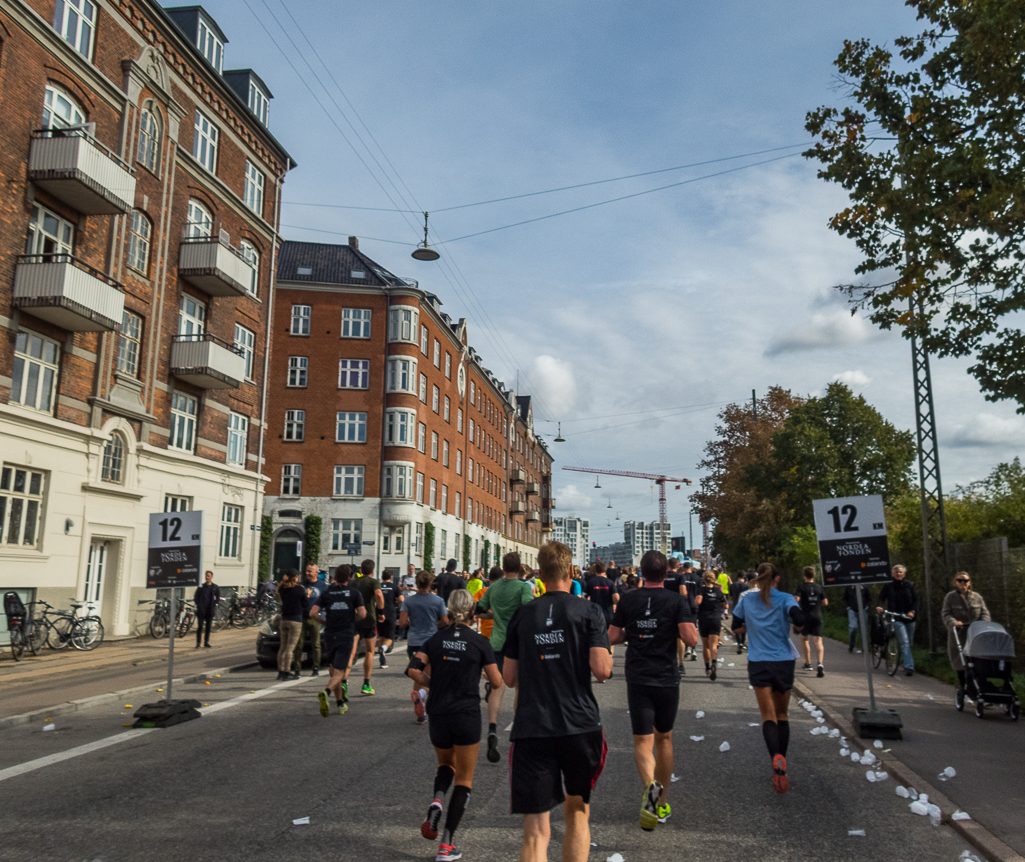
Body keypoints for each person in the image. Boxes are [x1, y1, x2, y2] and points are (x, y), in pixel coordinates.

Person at [502, 541, 612, 862]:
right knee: (577, 813)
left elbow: (509, 677)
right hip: (579, 725)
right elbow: (602, 671)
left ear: (539, 573)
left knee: (536, 833)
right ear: (571, 572)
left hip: (533, 726)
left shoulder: (523, 615)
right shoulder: (589, 611)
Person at [407, 590, 502, 862]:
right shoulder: (480, 642)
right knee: (465, 779)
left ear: (448, 612)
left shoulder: (436, 639)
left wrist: (431, 684)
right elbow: (496, 682)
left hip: (438, 713)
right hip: (466, 714)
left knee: (445, 765)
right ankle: (447, 845)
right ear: (473, 614)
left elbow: (413, 670)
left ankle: (437, 799)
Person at [608, 551, 697, 830]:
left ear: (641, 572)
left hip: (638, 677)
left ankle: (650, 787)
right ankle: (659, 803)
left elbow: (613, 636)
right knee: (665, 740)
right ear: (666, 573)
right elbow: (691, 638)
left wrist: (632, 633)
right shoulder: (676, 600)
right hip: (666, 678)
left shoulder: (629, 598)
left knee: (642, 744)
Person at [731, 562, 804, 794]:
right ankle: (782, 763)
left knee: (768, 716)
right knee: (783, 714)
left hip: (759, 662)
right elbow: (799, 619)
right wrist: (798, 627)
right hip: (783, 661)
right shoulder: (785, 598)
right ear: (777, 578)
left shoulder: (746, 600)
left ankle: (775, 758)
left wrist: (751, 627)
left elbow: (735, 627)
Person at [475, 551, 535, 762]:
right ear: (520, 568)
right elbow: (530, 609)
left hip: (497, 643)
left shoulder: (493, 587)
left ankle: (492, 728)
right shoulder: (522, 588)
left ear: (503, 567)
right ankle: (517, 730)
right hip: (518, 644)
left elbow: (480, 610)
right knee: (519, 686)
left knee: (497, 687)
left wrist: (496, 615)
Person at [309, 566, 365, 715]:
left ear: (334, 578)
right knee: (340, 671)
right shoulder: (354, 593)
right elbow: (363, 614)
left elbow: (313, 613)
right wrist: (353, 614)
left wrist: (323, 622)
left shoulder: (327, 593)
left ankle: (340, 703)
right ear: (349, 578)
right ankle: (326, 693)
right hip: (345, 634)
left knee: (333, 669)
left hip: (330, 634)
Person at [399, 571, 450, 724]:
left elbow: (401, 623)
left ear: (417, 583)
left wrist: (411, 622)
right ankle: (421, 698)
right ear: (431, 583)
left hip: (414, 642)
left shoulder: (409, 602)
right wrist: (435, 625)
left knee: (417, 674)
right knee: (428, 678)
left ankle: (420, 706)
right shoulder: (438, 601)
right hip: (431, 642)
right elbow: (446, 621)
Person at [941, 571, 991, 693]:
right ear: (955, 582)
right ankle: (963, 686)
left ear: (969, 582)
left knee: (977, 661)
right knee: (960, 661)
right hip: (959, 634)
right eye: (960, 580)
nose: (963, 583)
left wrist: (983, 624)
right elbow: (946, 614)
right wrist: (954, 622)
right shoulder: (950, 597)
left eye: (966, 581)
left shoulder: (977, 597)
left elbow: (985, 613)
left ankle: (978, 688)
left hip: (975, 634)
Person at [876, 565, 918, 676]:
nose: (898, 574)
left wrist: (912, 611)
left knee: (909, 642)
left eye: (900, 572)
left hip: (909, 618)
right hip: (897, 617)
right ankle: (909, 667)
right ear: (892, 574)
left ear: (903, 574)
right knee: (904, 642)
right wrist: (879, 606)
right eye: (896, 572)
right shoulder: (889, 586)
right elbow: (881, 597)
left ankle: (905, 662)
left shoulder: (910, 586)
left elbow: (916, 600)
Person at [353, 559, 385, 694]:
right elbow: (378, 594)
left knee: (351, 651)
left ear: (361, 570)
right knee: (369, 651)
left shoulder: (352, 582)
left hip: (354, 619)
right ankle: (366, 684)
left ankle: (343, 681)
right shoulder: (373, 582)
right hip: (369, 619)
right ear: (372, 571)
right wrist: (381, 612)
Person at [584, 562, 619, 670]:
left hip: (595, 615)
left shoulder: (590, 583)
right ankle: (608, 659)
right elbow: (617, 598)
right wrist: (612, 602)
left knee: (596, 638)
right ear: (605, 570)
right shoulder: (610, 583)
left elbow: (584, 598)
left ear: (595, 570)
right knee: (610, 640)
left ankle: (598, 663)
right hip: (608, 613)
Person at [794, 566, 828, 677]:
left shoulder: (801, 587)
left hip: (805, 616)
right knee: (818, 640)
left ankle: (808, 663)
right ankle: (820, 663)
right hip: (817, 615)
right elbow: (825, 602)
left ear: (804, 576)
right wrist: (817, 602)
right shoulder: (819, 587)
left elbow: (797, 599)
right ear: (814, 575)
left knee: (805, 639)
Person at [293, 563, 325, 676]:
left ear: (316, 573)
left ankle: (316, 667)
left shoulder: (322, 586)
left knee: (316, 644)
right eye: (307, 571)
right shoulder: (301, 585)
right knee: (299, 644)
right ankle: (297, 668)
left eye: (310, 571)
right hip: (301, 617)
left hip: (315, 618)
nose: (307, 573)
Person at [694, 571, 727, 680]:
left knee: (705, 645)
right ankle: (714, 663)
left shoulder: (701, 590)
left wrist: (697, 601)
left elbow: (698, 601)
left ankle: (708, 668)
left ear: (704, 579)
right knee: (713, 644)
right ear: (714, 579)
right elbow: (725, 605)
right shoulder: (718, 591)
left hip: (704, 619)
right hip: (715, 618)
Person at [275, 569, 306, 681]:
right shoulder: (299, 589)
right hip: (296, 620)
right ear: (296, 577)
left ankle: (280, 672)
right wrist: (307, 595)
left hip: (284, 620)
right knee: (290, 648)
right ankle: (287, 671)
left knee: (282, 647)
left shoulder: (282, 589)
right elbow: (305, 603)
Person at [378, 570, 401, 668]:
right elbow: (401, 599)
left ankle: (382, 661)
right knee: (390, 638)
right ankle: (383, 649)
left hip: (379, 613)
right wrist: (396, 604)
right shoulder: (394, 587)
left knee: (382, 637)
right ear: (391, 577)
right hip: (390, 613)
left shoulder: (378, 586)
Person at [193, 570, 220, 649]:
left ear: (211, 577)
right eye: (206, 576)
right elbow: (196, 597)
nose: (207, 577)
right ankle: (198, 643)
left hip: (210, 609)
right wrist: (199, 605)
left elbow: (218, 597)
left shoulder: (215, 587)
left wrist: (214, 603)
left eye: (208, 576)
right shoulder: (201, 587)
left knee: (208, 627)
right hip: (202, 610)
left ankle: (206, 642)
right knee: (200, 627)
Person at [844, 584, 872, 653]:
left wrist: (866, 606)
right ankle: (851, 646)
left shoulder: (864, 587)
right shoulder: (849, 587)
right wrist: (848, 607)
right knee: (853, 627)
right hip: (852, 610)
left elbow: (869, 598)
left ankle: (864, 647)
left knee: (864, 628)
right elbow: (845, 598)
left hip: (862, 610)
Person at [728, 571, 749, 653]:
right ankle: (742, 642)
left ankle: (739, 642)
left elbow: (730, 597)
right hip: (744, 608)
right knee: (743, 625)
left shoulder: (732, 585)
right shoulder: (746, 586)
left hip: (735, 608)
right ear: (745, 578)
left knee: (736, 626)